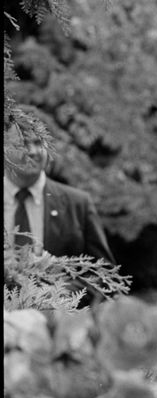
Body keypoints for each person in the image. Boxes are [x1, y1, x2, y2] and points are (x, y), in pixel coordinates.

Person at [4, 122, 116, 304]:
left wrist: (58, 294)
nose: (32, 151)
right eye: (23, 144)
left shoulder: (78, 204)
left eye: (39, 143)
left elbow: (105, 275)